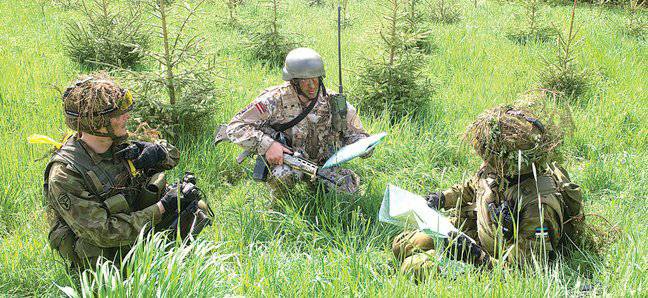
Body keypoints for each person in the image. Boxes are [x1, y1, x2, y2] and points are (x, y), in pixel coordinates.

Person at [392, 103, 585, 279]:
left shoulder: (539, 206)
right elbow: (472, 187)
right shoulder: (501, 170)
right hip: (475, 233)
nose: (484, 161)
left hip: (493, 262)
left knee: (414, 267)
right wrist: (441, 198)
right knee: (402, 244)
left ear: (507, 160)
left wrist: (476, 256)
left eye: (489, 156)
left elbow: (522, 272)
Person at [44, 74, 211, 270]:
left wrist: (158, 152)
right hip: (105, 256)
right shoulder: (66, 173)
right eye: (118, 114)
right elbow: (103, 233)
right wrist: (162, 207)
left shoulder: (119, 141)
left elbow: (174, 156)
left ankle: (171, 264)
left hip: (136, 227)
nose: (127, 117)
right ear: (97, 123)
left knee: (196, 205)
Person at [225, 47, 370, 197]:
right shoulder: (274, 100)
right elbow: (235, 127)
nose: (312, 86)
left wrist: (365, 145)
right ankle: (280, 208)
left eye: (315, 80)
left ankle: (319, 189)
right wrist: (268, 145)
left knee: (347, 194)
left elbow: (356, 135)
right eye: (305, 82)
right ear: (293, 82)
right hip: (289, 162)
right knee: (282, 175)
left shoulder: (333, 102)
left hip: (325, 164)